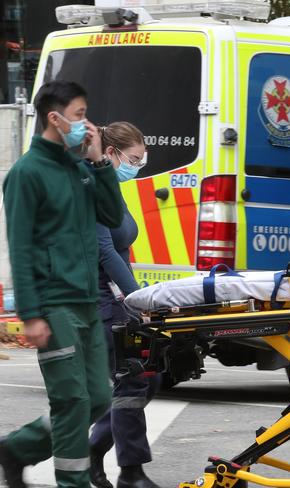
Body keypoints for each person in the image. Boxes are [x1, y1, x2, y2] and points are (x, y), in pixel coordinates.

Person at [0, 80, 123, 487]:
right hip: (54, 304)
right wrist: (30, 314)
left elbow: (112, 216)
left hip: (87, 300)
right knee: (71, 399)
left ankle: (16, 449)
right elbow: (19, 246)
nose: (85, 123)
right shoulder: (26, 173)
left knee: (98, 398)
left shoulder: (80, 169)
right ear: (54, 118)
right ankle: (74, 483)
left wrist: (100, 164)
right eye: (79, 114)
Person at [86, 122, 161, 488]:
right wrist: (136, 297)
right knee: (132, 377)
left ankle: (90, 451)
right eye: (133, 159)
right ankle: (131, 472)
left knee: (151, 374)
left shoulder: (113, 188)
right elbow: (103, 250)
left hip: (116, 298)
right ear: (111, 153)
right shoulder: (92, 188)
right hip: (95, 298)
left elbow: (122, 249)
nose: (137, 167)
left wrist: (137, 298)